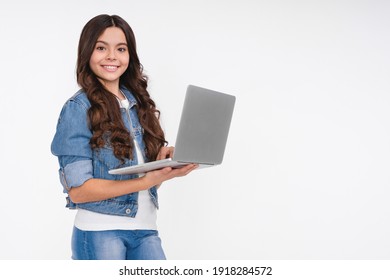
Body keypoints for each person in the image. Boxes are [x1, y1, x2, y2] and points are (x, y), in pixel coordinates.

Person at [51, 14, 198, 260]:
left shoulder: (137, 104)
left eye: (121, 49)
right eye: (101, 48)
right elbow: (78, 191)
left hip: (146, 230)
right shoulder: (78, 108)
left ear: (130, 56)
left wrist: (164, 168)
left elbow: (145, 182)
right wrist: (145, 181)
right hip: (100, 233)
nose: (112, 56)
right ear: (87, 53)